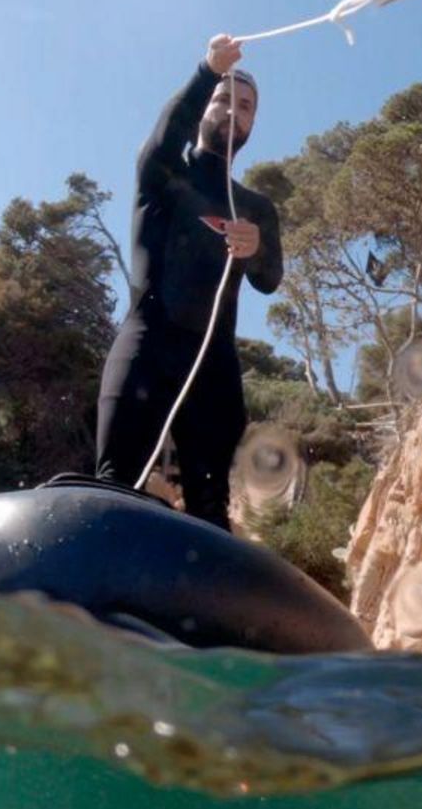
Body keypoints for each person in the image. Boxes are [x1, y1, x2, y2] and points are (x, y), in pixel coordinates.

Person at [95, 34, 283, 531]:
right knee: (115, 483)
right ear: (203, 107)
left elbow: (270, 281)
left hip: (214, 363)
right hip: (148, 345)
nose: (233, 111)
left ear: (253, 125)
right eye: (223, 99)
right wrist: (207, 72)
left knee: (210, 508)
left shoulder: (256, 208)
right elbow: (164, 137)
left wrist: (258, 248)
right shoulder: (162, 176)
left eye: (246, 107)